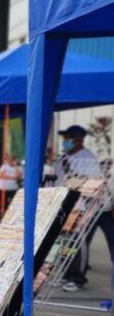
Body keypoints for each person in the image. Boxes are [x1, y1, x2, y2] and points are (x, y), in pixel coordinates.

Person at [55, 125, 114, 292]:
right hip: (68, 206)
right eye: (64, 137)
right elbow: (60, 181)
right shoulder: (63, 158)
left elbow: (92, 183)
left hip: (89, 207)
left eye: (68, 137)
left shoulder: (87, 157)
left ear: (78, 139)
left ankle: (77, 278)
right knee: (67, 243)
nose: (65, 140)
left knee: (80, 243)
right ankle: (67, 274)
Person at [0, 153, 21, 218]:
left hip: (13, 188)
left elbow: (17, 176)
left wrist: (15, 166)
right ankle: (3, 216)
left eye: (12, 160)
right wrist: (11, 177)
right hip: (3, 188)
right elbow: (1, 175)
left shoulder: (18, 168)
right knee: (3, 203)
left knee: (13, 203)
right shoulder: (4, 166)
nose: (10, 161)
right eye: (9, 160)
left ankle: (11, 215)